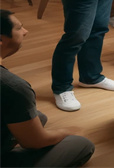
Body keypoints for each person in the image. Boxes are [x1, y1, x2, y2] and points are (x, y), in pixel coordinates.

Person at [0, 10, 96, 167]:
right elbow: (35, 142)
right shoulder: (14, 87)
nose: (25, 32)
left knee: (39, 117)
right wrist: (69, 131)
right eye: (19, 28)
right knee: (81, 144)